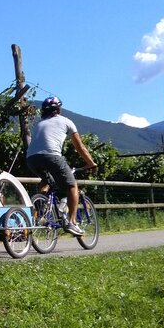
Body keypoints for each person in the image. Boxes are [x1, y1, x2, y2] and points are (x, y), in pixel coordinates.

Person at [26, 96, 97, 236]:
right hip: (52, 156)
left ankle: (41, 213)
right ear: (59, 109)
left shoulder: (39, 124)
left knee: (46, 181)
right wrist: (91, 163)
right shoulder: (66, 122)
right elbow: (80, 147)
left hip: (31, 159)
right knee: (72, 186)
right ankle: (71, 222)